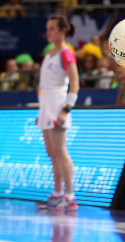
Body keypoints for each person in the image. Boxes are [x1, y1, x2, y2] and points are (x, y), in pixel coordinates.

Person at [35, 15, 79, 210]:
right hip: (46, 107)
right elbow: (45, 85)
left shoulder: (66, 53)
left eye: (52, 28)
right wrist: (42, 111)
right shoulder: (48, 54)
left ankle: (70, 196)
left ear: (62, 31)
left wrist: (65, 110)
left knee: (61, 152)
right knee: (52, 153)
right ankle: (57, 193)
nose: (48, 32)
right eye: (47, 28)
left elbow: (75, 85)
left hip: (58, 107)